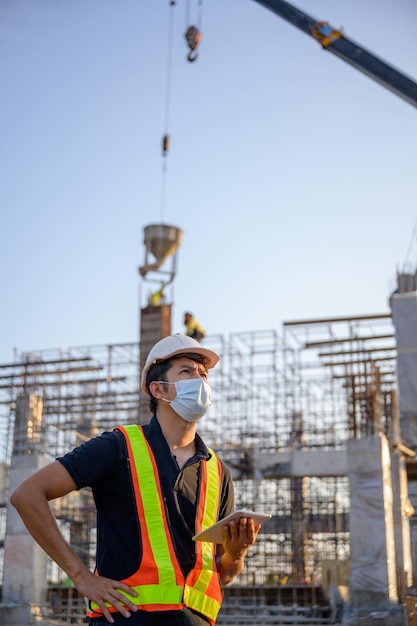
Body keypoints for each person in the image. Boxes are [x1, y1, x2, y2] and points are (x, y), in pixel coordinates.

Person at [10, 333, 261, 626]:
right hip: (126, 619)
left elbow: (223, 573)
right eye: (187, 372)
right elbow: (27, 495)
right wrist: (81, 578)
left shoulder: (218, 471)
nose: (200, 381)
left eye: (203, 374)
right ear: (158, 389)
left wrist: (237, 553)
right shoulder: (118, 447)